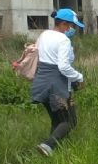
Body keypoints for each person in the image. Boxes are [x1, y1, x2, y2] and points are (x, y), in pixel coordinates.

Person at [31, 9, 85, 156]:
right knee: (70, 121)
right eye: (70, 25)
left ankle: (50, 150)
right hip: (56, 85)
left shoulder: (44, 35)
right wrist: (79, 77)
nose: (71, 29)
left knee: (57, 120)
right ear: (63, 23)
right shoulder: (63, 40)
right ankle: (47, 146)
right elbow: (63, 66)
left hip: (41, 82)